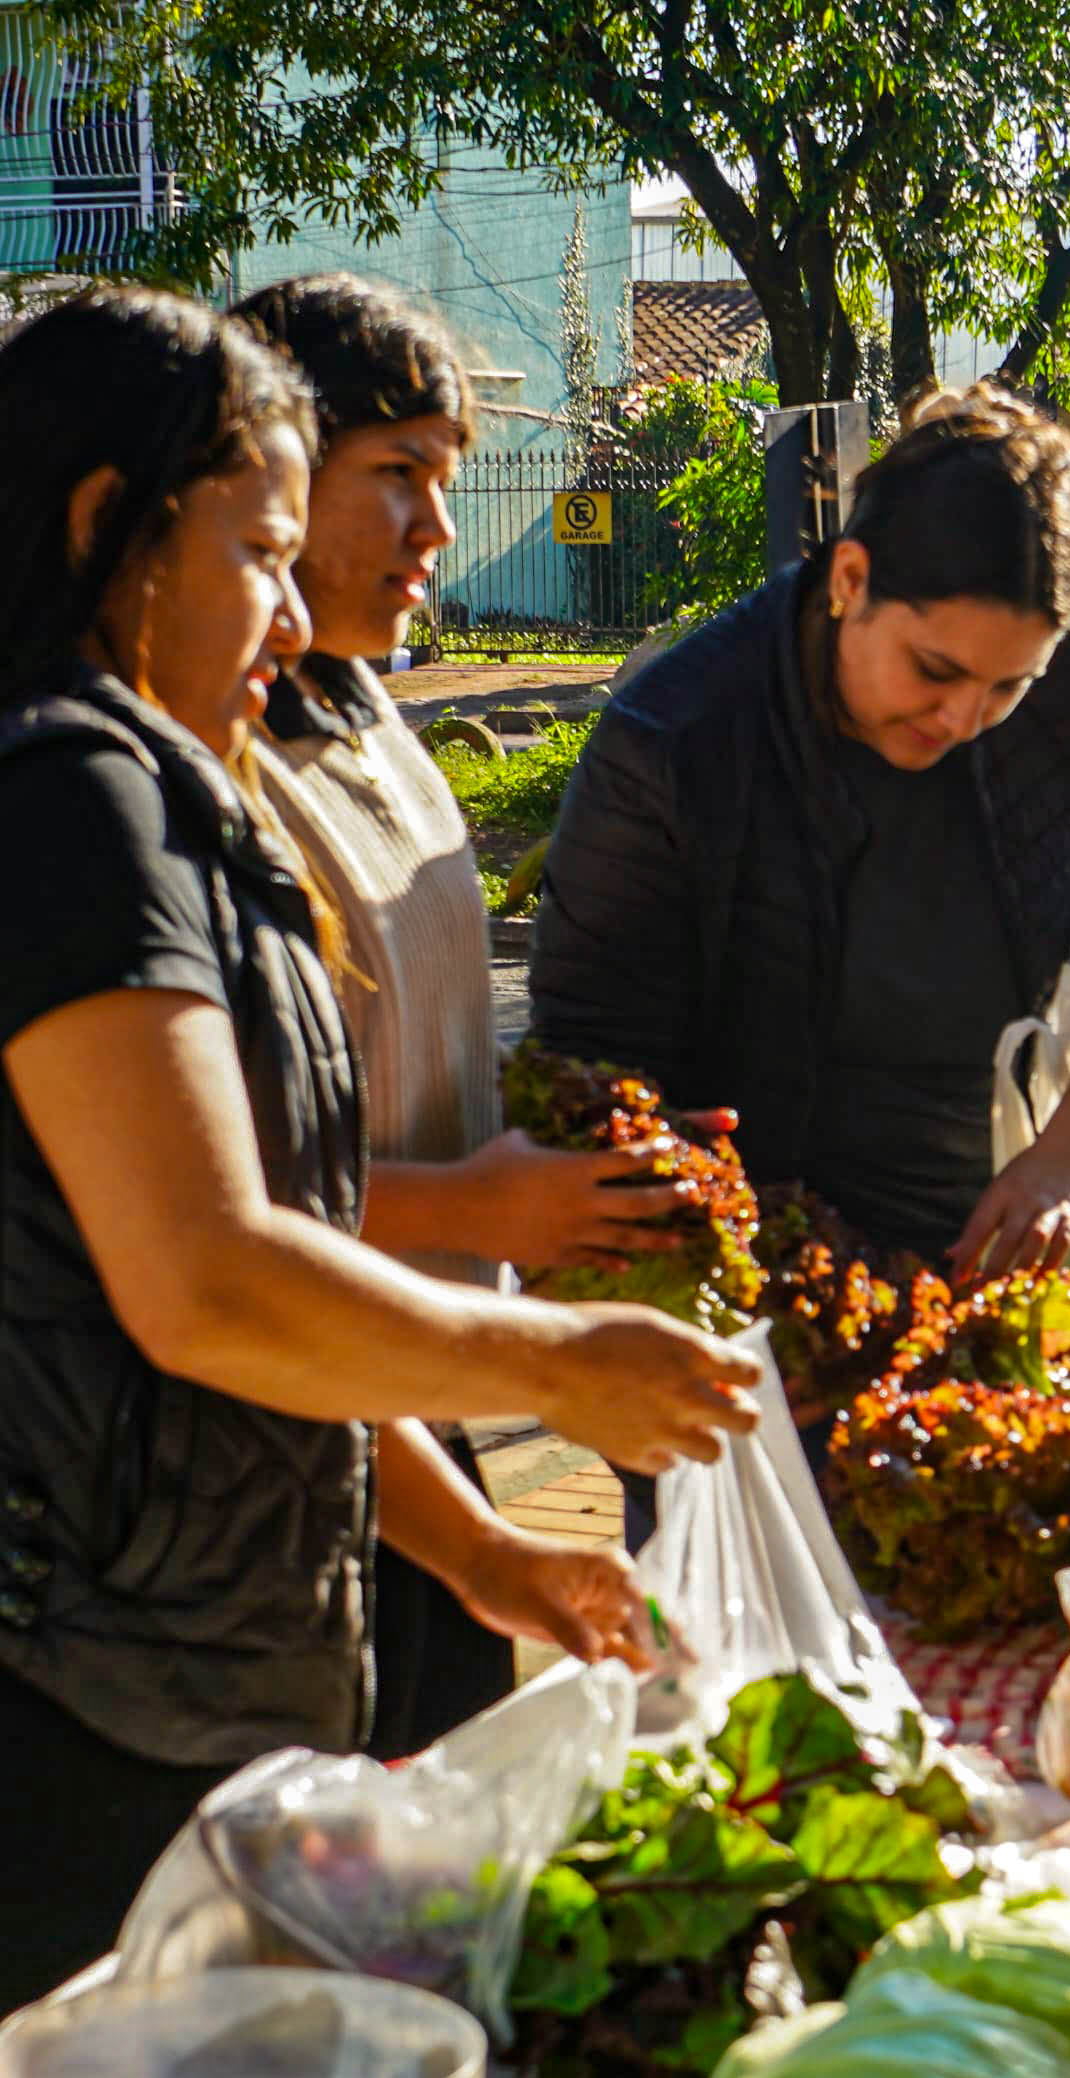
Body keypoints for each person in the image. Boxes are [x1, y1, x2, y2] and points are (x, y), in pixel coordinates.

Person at [0, 289, 757, 2071]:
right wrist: (554, 1363)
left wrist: (485, 1549)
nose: (293, 616)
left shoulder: (81, 777)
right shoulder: (63, 794)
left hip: (122, 1665)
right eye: (263, 551)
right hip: (50, 1691)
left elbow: (243, 1301)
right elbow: (204, 1282)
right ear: (98, 523)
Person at [232, 271, 696, 1755]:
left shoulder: (366, 714)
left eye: (447, 475)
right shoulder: (208, 774)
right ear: (275, 472)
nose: (437, 528)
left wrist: (600, 1158)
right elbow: (192, 1217)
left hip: (415, 1415)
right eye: (396, 477)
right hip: (268, 1466)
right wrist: (484, 1204)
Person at [527, 381, 1070, 1277]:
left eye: (1008, 686)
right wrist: (727, 1278)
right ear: (850, 580)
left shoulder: (1068, 676)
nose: (967, 716)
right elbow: (588, 1074)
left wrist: (1068, 1156)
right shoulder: (670, 743)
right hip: (746, 1284)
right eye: (935, 670)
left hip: (982, 1253)